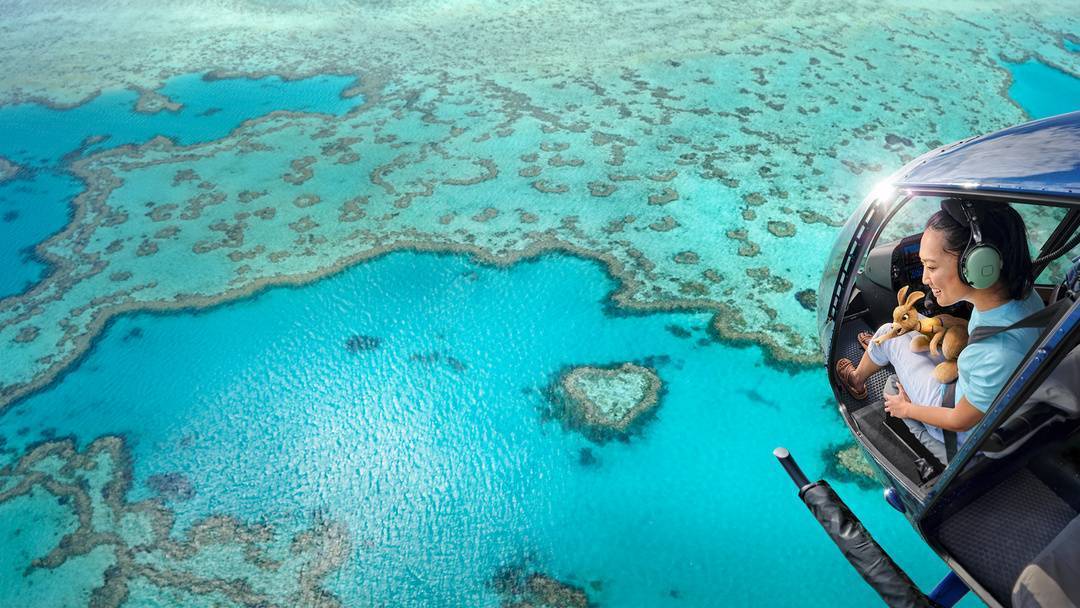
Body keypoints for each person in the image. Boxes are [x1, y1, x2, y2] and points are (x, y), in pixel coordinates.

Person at [834, 199, 1043, 461]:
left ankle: (855, 380)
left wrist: (905, 409)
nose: (923, 278)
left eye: (931, 267)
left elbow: (959, 420)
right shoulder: (1023, 297)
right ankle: (885, 352)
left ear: (977, 267)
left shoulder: (999, 352)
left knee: (890, 332)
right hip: (970, 381)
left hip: (953, 417)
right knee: (915, 326)